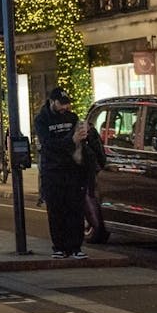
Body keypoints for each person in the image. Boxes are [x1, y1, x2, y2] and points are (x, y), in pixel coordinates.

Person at [34, 87, 88, 259]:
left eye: (67, 104)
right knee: (56, 210)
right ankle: (59, 246)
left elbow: (77, 143)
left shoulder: (72, 118)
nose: (65, 107)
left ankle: (76, 247)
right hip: (52, 171)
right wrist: (70, 141)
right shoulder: (42, 120)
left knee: (75, 209)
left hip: (72, 170)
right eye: (61, 104)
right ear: (52, 102)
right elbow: (48, 145)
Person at [81, 119, 109, 243]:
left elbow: (98, 151)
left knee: (88, 199)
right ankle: (94, 225)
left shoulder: (86, 138)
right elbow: (99, 152)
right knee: (89, 199)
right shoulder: (88, 136)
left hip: (86, 173)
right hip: (86, 173)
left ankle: (94, 225)